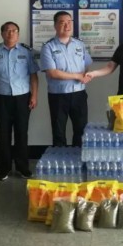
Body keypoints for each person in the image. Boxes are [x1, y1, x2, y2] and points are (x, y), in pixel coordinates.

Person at [0, 22, 39, 181]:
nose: (11, 33)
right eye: (7, 31)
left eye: (14, 31)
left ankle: (22, 167)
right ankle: (4, 168)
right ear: (2, 34)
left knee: (22, 133)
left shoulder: (26, 52)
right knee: (3, 134)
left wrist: (34, 95)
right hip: (1, 98)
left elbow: (33, 76)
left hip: (22, 98)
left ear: (18, 34)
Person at [40, 11, 92, 147]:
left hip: (79, 94)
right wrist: (77, 76)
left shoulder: (80, 44)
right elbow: (52, 73)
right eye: (62, 22)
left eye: (69, 22)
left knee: (81, 130)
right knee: (59, 132)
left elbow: (86, 64)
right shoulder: (48, 47)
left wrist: (86, 75)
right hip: (58, 95)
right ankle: (60, 159)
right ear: (55, 26)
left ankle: (79, 158)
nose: (67, 25)